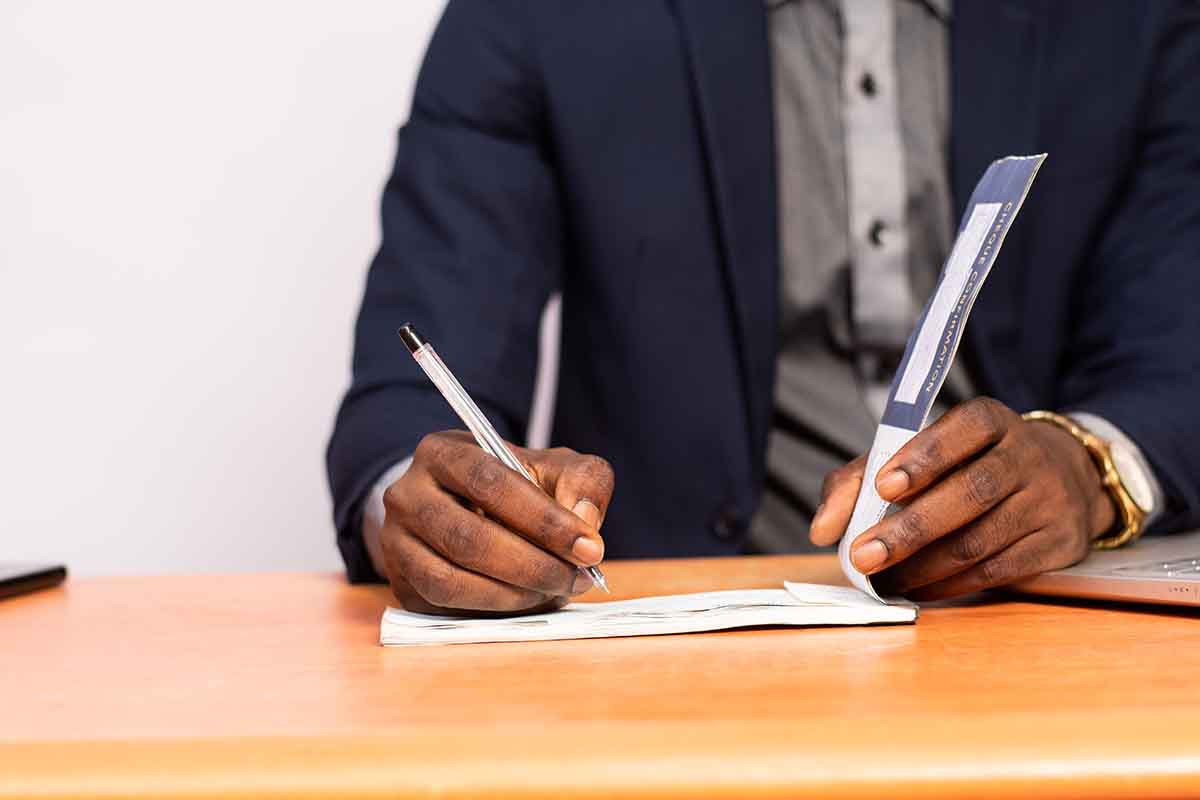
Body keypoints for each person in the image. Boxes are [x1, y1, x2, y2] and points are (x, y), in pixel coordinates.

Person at [326, 1, 1200, 614]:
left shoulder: (1140, 18)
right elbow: (419, 384)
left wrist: (1088, 468)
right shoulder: (537, 16)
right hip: (672, 649)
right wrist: (427, 512)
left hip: (1035, 623)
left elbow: (1179, 353)